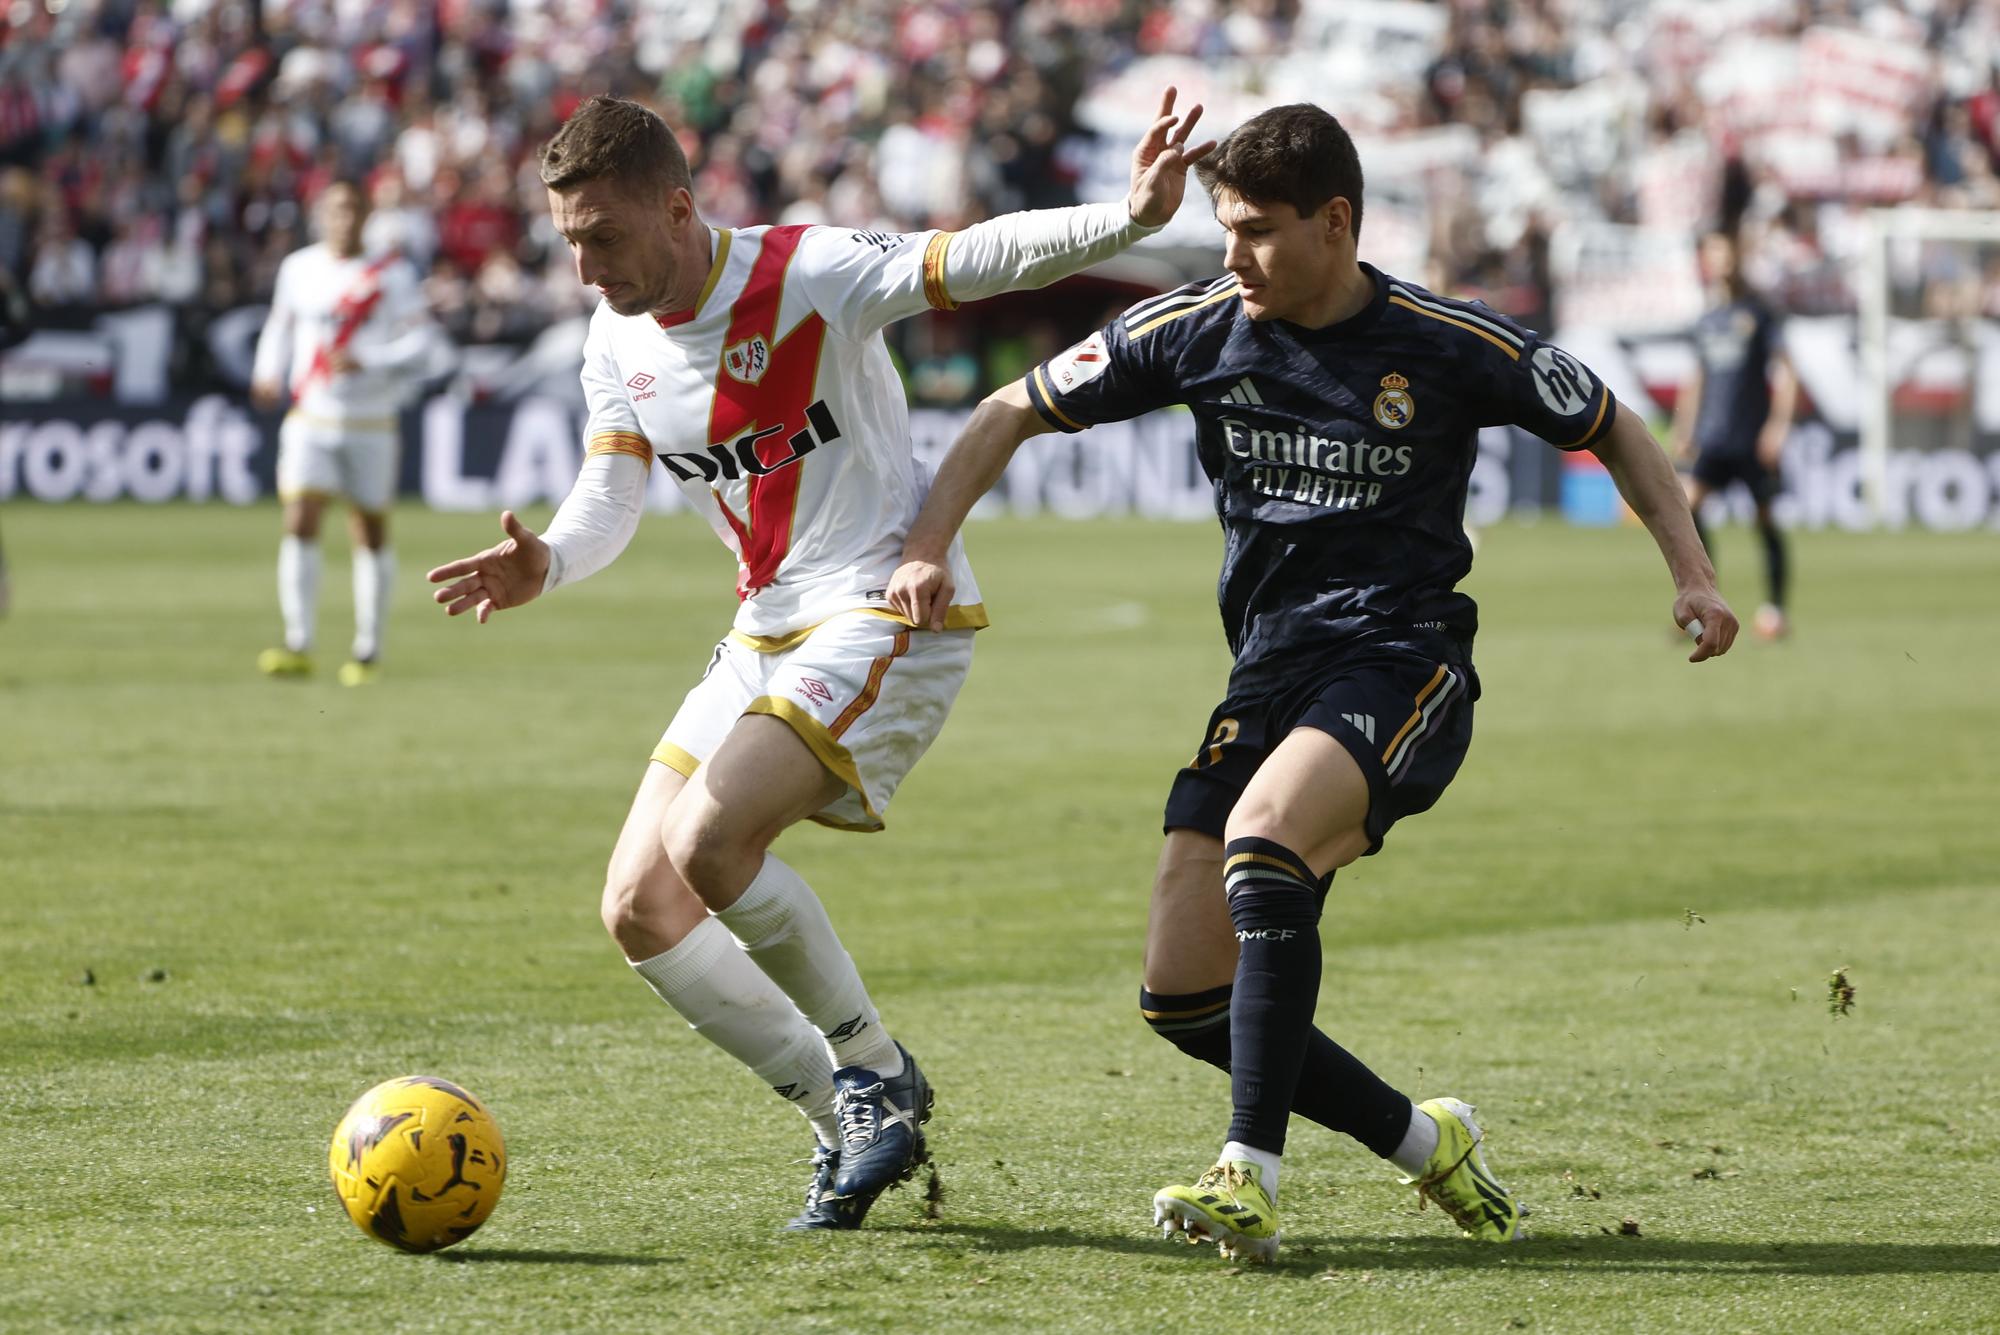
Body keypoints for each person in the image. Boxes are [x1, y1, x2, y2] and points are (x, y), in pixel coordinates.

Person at [889, 103, 1739, 1263]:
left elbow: (1612, 423)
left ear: (1335, 223)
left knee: (1266, 836)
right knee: (1183, 996)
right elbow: (1007, 410)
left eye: (1253, 230)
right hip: (1271, 669)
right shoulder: (1196, 329)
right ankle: (1420, 1141)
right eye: (1221, 228)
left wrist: (1690, 574)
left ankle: (1246, 1173)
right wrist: (926, 545)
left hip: (1402, 659)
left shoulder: (1445, 342)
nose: (1229, 255)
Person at [424, 93, 1213, 1230]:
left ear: (678, 207)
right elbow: (609, 492)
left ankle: (871, 1069)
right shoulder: (616, 337)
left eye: (602, 234)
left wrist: (1128, 218)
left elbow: (974, 257)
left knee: (707, 840)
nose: (586, 265)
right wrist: (546, 561)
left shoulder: (809, 270)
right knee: (639, 905)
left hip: (881, 606)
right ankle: (843, 1111)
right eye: (568, 241)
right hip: (761, 630)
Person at [251, 179, 434, 685]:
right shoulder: (299, 268)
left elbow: (422, 345)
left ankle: (368, 649)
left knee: (368, 529)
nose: (344, 218)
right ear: (321, 214)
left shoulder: (392, 274)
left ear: (368, 213)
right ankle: (298, 641)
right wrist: (266, 371)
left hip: (371, 421)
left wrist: (367, 359)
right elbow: (280, 325)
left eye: (353, 208)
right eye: (335, 209)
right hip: (311, 416)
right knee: (300, 519)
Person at [1673, 229, 1798, 640]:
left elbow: (1787, 371)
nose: (1717, 259)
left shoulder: (1758, 313)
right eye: (1710, 252)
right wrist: (1684, 428)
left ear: (1736, 257)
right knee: (1688, 511)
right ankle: (1706, 602)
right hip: (1713, 437)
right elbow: (1698, 378)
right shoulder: (1707, 319)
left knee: (1764, 520)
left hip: (1751, 439)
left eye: (1723, 251)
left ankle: (1776, 610)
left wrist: (1778, 426)